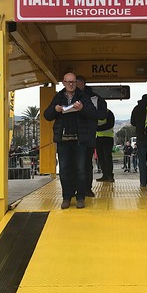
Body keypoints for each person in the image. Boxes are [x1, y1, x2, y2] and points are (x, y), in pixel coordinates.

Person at [44, 72, 100, 209]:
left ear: (76, 83)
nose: (70, 84)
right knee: (64, 170)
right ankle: (66, 197)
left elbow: (94, 114)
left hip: (79, 140)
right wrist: (55, 109)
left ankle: (80, 197)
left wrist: (82, 109)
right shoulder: (58, 97)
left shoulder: (84, 97)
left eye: (73, 82)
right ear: (63, 82)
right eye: (68, 82)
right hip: (63, 140)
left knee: (80, 169)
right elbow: (47, 115)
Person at [76, 75, 108, 195]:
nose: (74, 85)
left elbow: (102, 114)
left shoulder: (95, 99)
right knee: (74, 164)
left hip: (88, 135)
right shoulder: (67, 96)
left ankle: (86, 189)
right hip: (72, 136)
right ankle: (76, 189)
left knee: (86, 164)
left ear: (83, 84)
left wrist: (86, 112)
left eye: (77, 83)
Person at [131, 93, 147, 187]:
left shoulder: (136, 108)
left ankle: (143, 182)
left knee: (142, 161)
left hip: (140, 137)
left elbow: (132, 122)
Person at [95, 108, 115, 182]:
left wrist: (97, 128)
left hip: (107, 138)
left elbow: (110, 125)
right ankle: (105, 175)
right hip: (98, 138)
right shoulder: (96, 112)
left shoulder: (109, 113)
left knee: (107, 158)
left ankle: (109, 175)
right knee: (101, 158)